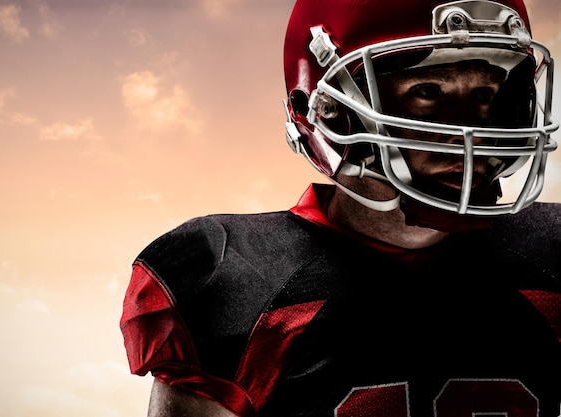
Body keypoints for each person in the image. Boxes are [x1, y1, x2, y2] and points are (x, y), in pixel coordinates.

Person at [120, 0, 561, 415]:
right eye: (428, 90)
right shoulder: (238, 280)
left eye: (486, 94)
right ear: (327, 109)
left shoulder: (553, 254)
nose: (469, 128)